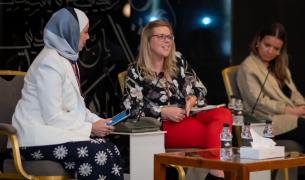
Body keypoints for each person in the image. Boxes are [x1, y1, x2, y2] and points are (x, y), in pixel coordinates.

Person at [11, 7, 123, 180]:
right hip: (33, 139)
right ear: (70, 32)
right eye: (85, 32)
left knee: (109, 148)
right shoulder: (49, 62)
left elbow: (76, 107)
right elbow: (53, 116)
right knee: (97, 153)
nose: (87, 37)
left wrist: (97, 121)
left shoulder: (67, 59)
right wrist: (90, 128)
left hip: (53, 134)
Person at [122, 20, 232, 179]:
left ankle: (214, 171)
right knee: (217, 135)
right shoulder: (135, 72)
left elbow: (201, 88)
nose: (167, 40)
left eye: (169, 36)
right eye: (161, 36)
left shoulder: (178, 60)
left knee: (223, 114)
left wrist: (192, 98)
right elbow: (132, 109)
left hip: (192, 113)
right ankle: (217, 172)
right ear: (147, 40)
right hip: (165, 126)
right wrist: (162, 111)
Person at [237, 23, 305, 146]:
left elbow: (294, 93)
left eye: (276, 48)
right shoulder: (248, 67)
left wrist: (302, 107)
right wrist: (289, 110)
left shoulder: (280, 67)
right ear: (258, 42)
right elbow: (257, 102)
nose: (270, 51)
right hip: (265, 119)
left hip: (290, 115)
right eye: (267, 45)